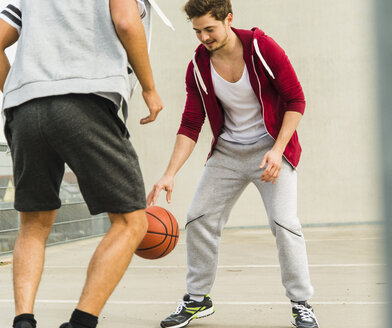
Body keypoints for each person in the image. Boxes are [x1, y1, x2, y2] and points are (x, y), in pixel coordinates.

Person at [147, 1, 319, 327]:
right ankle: (198, 299)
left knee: (284, 224)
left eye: (209, 29)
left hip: (270, 149)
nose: (203, 37)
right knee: (198, 218)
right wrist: (169, 174)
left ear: (228, 19)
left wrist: (278, 150)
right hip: (228, 153)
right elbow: (190, 123)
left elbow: (296, 99)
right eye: (197, 31)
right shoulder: (198, 66)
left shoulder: (261, 48)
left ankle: (301, 303)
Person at [0, 0, 163, 327]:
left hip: (24, 107)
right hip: (84, 98)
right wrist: (149, 88)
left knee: (33, 223)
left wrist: (15, 90)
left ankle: (23, 321)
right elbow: (127, 22)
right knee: (132, 222)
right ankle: (81, 323)